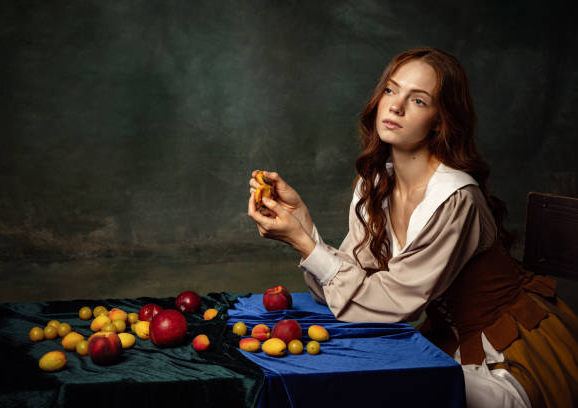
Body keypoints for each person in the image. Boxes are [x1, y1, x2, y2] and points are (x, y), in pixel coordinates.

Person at [247, 47, 578, 408]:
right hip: (442, 342)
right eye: (391, 90)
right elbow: (354, 287)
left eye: (418, 100)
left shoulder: (455, 198)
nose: (395, 106)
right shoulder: (375, 185)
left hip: (508, 352)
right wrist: (303, 226)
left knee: (386, 392)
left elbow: (391, 303)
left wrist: (304, 244)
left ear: (440, 120)